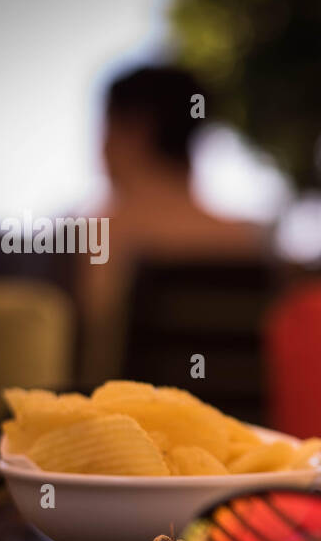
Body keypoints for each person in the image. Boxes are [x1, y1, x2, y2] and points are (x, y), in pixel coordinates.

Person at [76, 66, 267, 385]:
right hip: (230, 431)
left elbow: (89, 360)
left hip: (130, 425)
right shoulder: (246, 239)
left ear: (135, 130)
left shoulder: (99, 234)